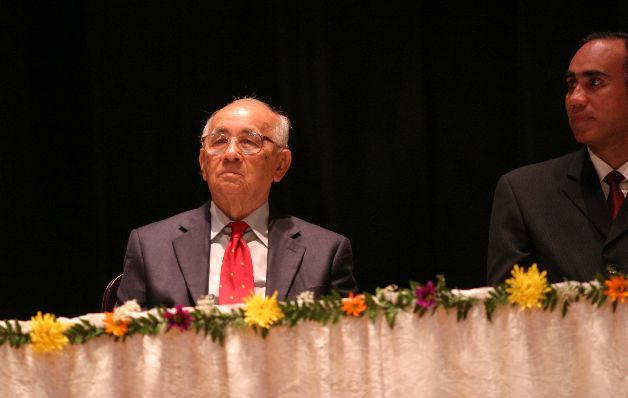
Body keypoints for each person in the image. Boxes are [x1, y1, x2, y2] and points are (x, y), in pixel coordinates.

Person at [117, 98, 357, 308]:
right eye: (219, 141)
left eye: (249, 142)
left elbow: (345, 347)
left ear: (280, 164)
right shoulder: (150, 247)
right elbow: (123, 347)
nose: (231, 154)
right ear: (203, 162)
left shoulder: (326, 253)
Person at [487, 31, 628, 285]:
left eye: (594, 82)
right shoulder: (525, 193)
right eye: (571, 85)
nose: (575, 99)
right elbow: (507, 317)